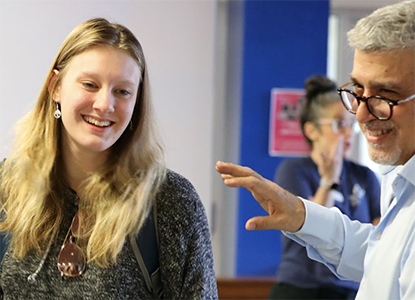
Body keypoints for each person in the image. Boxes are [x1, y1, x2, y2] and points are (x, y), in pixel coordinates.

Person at [0, 18, 218, 299]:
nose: (105, 104)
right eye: (90, 84)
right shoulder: (6, 187)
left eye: (122, 91)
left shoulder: (170, 201)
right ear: (56, 86)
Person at [216, 1, 414, 299]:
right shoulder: (397, 177)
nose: (360, 116)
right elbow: (380, 252)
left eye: (386, 95)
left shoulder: (369, 175)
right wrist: (301, 215)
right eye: (357, 92)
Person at [268, 75, 381, 300]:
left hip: (349, 290)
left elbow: (380, 239)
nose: (348, 133)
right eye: (339, 124)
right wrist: (329, 180)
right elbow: (310, 229)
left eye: (350, 125)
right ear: (311, 131)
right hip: (301, 289)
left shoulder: (365, 176)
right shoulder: (293, 171)